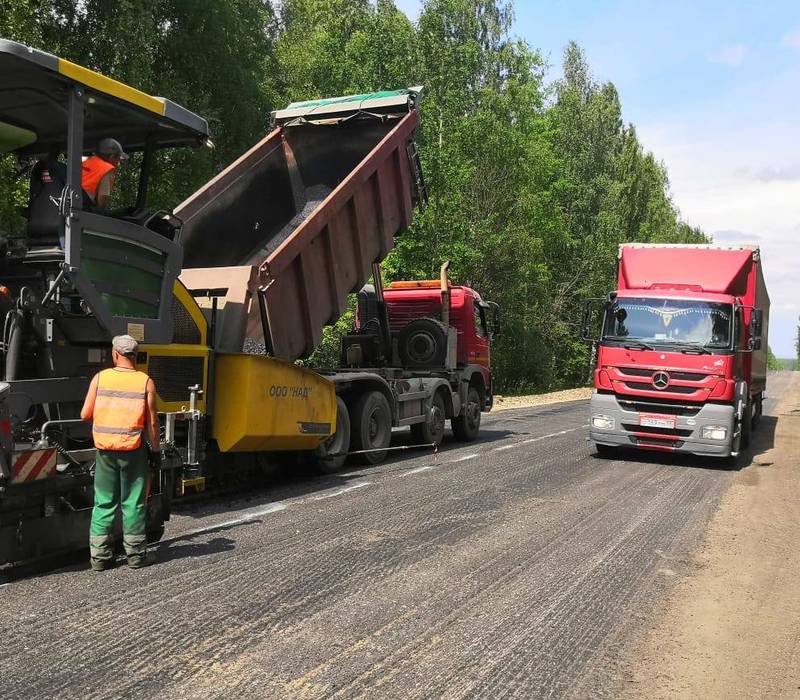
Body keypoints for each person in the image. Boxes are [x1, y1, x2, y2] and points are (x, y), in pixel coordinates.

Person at [81, 334, 160, 570]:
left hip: (105, 451)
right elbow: (153, 424)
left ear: (115, 354)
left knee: (104, 502)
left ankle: (100, 558)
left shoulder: (100, 378)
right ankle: (136, 556)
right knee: (133, 502)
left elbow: (85, 414)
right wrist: (155, 450)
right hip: (133, 450)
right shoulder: (145, 381)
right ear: (135, 356)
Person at [81, 138, 128, 209]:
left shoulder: (86, 163)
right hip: (85, 210)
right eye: (118, 159)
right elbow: (102, 201)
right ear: (111, 157)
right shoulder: (107, 170)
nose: (118, 163)